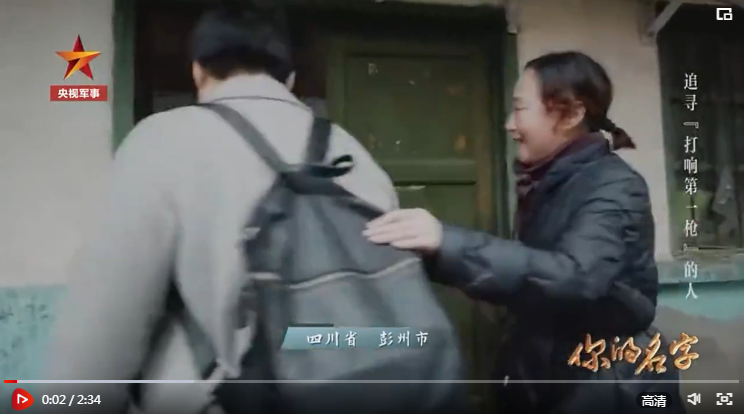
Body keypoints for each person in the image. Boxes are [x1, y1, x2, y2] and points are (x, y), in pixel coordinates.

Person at [37, 8, 397, 413]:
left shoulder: (161, 141)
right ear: (290, 80)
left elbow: (100, 330)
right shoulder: (352, 155)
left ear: (198, 71)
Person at [364, 51, 686, 414]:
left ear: (571, 115)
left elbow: (576, 277)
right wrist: (432, 252)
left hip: (609, 383)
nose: (509, 124)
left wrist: (449, 243)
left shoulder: (614, 185)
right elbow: (533, 274)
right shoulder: (550, 180)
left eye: (519, 109)